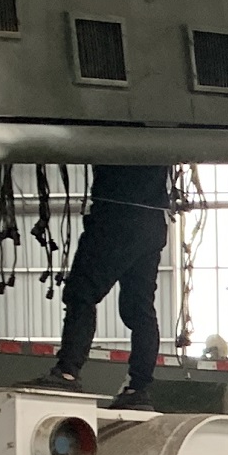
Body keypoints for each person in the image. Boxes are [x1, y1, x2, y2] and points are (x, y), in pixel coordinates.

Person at [44, 165, 173, 409]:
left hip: (116, 216)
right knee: (139, 308)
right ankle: (138, 388)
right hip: (153, 221)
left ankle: (67, 372)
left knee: (81, 292)